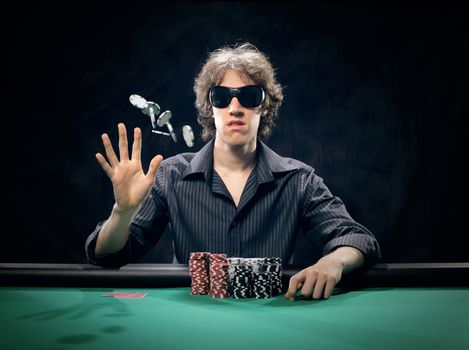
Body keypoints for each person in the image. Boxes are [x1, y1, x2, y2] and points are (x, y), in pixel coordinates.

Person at [85, 42, 381, 301]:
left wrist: (333, 263)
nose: (235, 107)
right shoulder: (170, 176)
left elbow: (357, 239)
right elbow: (108, 257)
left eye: (249, 96)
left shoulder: (299, 180)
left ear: (264, 106)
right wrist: (121, 213)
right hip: (189, 326)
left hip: (273, 323)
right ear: (208, 107)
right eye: (222, 97)